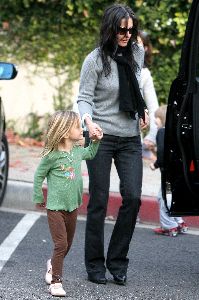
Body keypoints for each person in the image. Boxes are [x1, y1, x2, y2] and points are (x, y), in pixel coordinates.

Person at [77, 3, 149, 285]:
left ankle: (117, 261)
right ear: (110, 29)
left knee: (132, 198)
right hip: (100, 135)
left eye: (131, 30)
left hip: (130, 137)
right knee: (99, 200)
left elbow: (134, 86)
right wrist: (88, 122)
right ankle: (94, 264)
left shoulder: (136, 52)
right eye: (121, 30)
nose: (127, 35)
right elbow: (84, 97)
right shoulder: (94, 60)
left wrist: (141, 109)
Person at [33, 110, 103, 297]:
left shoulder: (77, 151)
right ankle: (56, 282)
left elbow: (90, 153)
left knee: (68, 244)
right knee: (61, 244)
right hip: (55, 207)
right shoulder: (52, 156)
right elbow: (39, 176)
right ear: (65, 133)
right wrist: (38, 196)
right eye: (77, 127)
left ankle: (51, 266)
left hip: (72, 206)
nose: (81, 129)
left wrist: (95, 141)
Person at [150, 105, 188, 237]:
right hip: (178, 173)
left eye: (157, 118)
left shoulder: (162, 132)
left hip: (167, 173)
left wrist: (155, 164)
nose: (155, 121)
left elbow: (162, 153)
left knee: (163, 198)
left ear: (163, 119)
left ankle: (169, 226)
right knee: (173, 197)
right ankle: (179, 222)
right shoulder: (177, 132)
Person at [138, 31, 159, 160]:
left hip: (132, 142)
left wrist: (152, 136)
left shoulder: (145, 74)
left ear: (145, 48)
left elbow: (154, 109)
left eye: (138, 43)